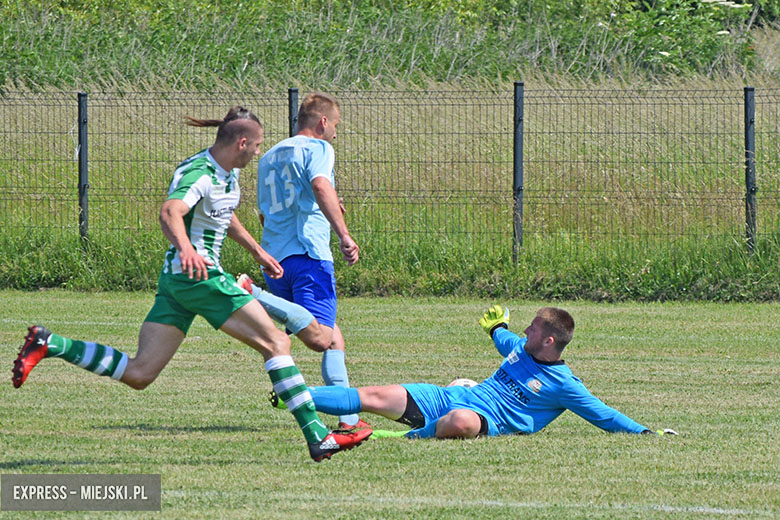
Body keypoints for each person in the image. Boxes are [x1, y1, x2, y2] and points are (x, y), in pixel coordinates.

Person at [11, 106, 371, 462]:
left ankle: (49, 342)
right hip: (201, 276)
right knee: (276, 342)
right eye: (258, 145)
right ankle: (318, 436)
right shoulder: (199, 171)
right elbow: (171, 211)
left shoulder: (225, 173)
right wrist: (187, 250)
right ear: (242, 142)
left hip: (178, 283)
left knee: (140, 373)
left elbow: (224, 215)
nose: (261, 151)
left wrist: (257, 251)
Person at [294, 305, 678, 439]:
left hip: (478, 419)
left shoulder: (564, 386)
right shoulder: (520, 348)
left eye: (533, 329)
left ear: (549, 342)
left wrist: (647, 431)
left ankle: (409, 437)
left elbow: (603, 414)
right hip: (451, 396)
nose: (524, 331)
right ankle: (295, 395)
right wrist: (495, 328)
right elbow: (504, 338)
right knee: (375, 395)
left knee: (460, 422)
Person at [246, 91, 367, 431]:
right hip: (309, 253)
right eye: (336, 126)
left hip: (276, 258)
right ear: (323, 122)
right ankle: (252, 295)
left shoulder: (269, 155)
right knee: (320, 338)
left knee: (333, 335)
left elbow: (266, 212)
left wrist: (323, 206)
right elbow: (319, 185)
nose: (335, 134)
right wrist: (343, 233)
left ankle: (348, 419)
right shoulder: (319, 149)